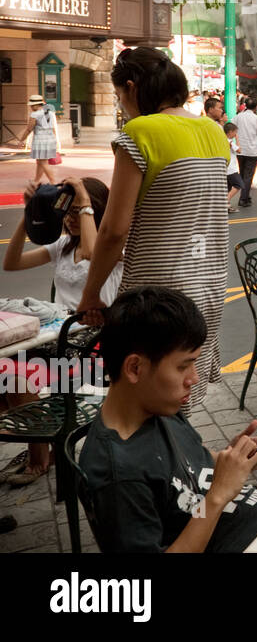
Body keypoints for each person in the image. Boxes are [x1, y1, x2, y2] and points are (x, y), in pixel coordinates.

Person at [78, 47, 230, 414]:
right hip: (208, 286)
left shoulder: (141, 131)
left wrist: (91, 294)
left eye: (119, 96)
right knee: (181, 396)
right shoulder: (214, 131)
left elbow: (114, 229)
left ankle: (154, 470)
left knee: (144, 399)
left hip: (158, 293)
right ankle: (179, 466)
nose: (123, 105)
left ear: (131, 88)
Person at [78, 287, 257, 552]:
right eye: (183, 366)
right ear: (135, 368)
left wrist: (232, 460)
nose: (194, 378)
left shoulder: (159, 408)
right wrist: (218, 495)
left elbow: (193, 464)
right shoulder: (118, 475)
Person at [1, 177, 121, 486]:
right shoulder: (62, 246)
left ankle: (39, 454)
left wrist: (83, 202)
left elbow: (95, 253)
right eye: (65, 211)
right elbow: (11, 263)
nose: (70, 217)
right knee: (7, 375)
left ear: (96, 211)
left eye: (79, 210)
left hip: (91, 347)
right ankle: (45, 437)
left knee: (15, 376)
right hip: (56, 336)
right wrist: (29, 214)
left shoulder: (111, 248)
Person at [15, 96, 58, 184]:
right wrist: (55, 140)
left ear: (36, 105)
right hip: (50, 139)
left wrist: (21, 140)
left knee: (43, 163)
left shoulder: (35, 114)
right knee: (40, 162)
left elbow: (29, 129)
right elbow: (53, 128)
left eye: (31, 105)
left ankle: (53, 182)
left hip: (40, 140)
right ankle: (36, 181)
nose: (30, 107)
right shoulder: (50, 112)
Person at [234, 97, 257, 207]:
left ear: (245, 105)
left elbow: (230, 128)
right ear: (256, 107)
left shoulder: (238, 117)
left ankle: (246, 195)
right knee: (248, 176)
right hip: (252, 151)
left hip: (240, 151)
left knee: (242, 174)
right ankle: (243, 198)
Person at [223, 122, 242, 214]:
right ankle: (225, 202)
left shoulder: (223, 140)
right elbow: (239, 150)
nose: (235, 135)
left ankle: (227, 206)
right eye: (235, 132)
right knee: (239, 184)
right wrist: (237, 139)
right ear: (230, 132)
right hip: (231, 169)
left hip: (226, 169)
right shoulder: (229, 142)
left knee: (228, 188)